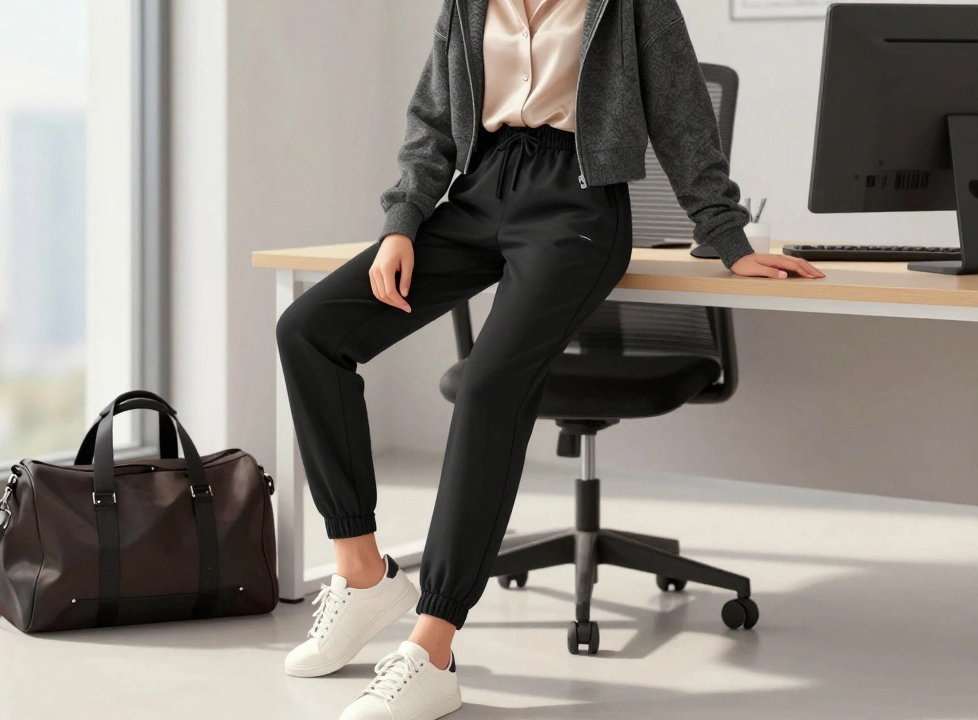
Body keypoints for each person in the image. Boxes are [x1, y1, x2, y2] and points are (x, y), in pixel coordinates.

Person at [275, 1, 823, 718]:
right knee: (309, 331)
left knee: (487, 383)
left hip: (578, 206)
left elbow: (684, 112)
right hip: (478, 194)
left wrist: (729, 237)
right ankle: (362, 571)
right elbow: (435, 119)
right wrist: (403, 221)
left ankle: (432, 647)